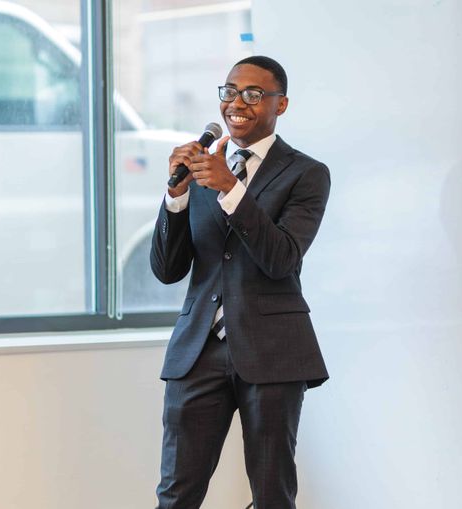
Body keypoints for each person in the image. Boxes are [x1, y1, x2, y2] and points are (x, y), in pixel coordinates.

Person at [150, 55, 330, 509]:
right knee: (176, 492)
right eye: (230, 91)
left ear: (280, 104)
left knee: (271, 494)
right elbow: (167, 270)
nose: (237, 103)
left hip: (273, 351)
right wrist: (177, 196)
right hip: (198, 351)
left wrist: (232, 189)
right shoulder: (202, 170)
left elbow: (282, 258)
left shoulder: (306, 174)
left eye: (254, 94)